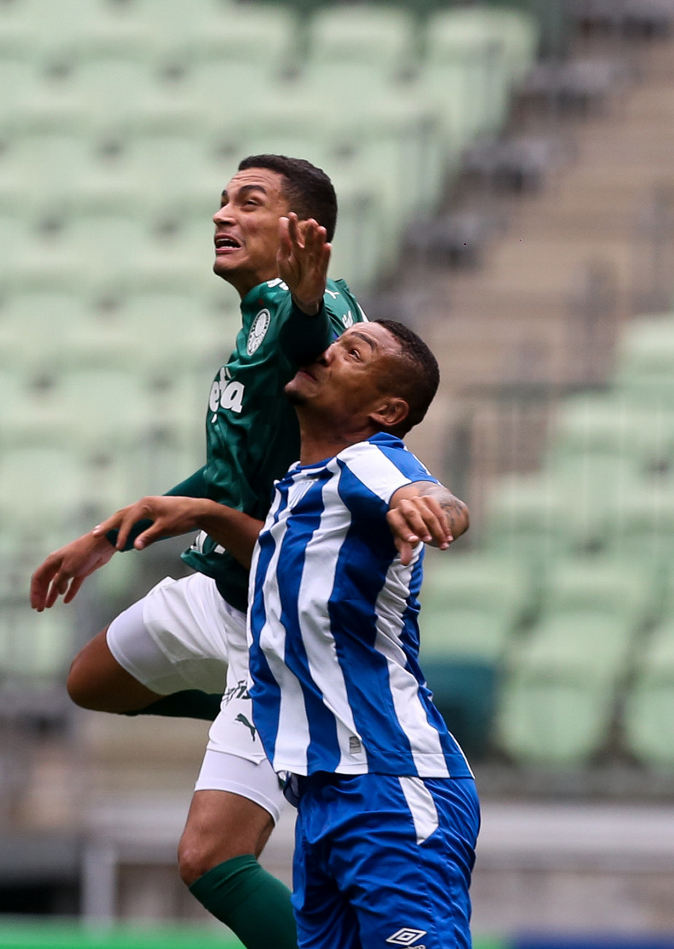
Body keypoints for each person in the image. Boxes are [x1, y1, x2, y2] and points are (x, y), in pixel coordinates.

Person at [31, 159, 469, 949]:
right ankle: (283, 712)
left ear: (301, 229)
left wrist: (306, 306)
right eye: (223, 200)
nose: (223, 215)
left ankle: (281, 704)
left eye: (249, 203)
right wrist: (116, 534)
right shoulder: (271, 331)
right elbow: (239, 472)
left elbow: (400, 465)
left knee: (209, 857)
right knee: (88, 680)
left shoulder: (319, 330)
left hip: (270, 629)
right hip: (225, 582)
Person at [135, 319, 477, 949]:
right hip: (324, 795)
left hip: (390, 785)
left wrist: (431, 507)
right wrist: (203, 511)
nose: (325, 351)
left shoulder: (367, 461)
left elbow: (432, 495)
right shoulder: (301, 487)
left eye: (353, 352)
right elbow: (273, 554)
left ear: (386, 411)